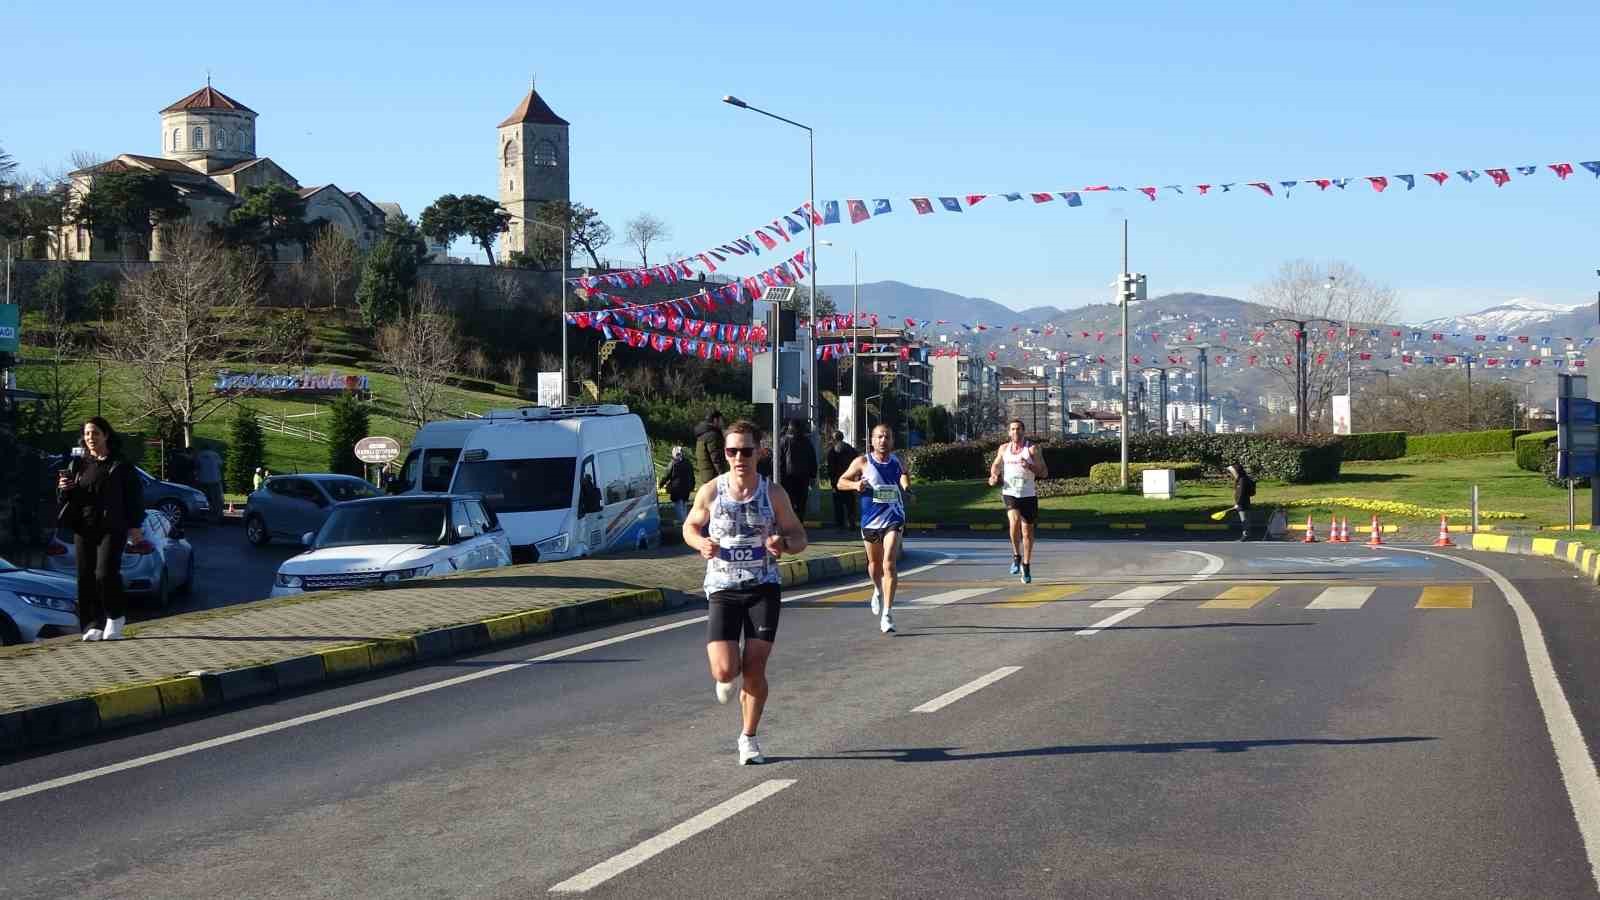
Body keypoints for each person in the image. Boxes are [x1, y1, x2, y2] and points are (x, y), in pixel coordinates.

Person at [682, 420, 808, 765]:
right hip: (723, 588)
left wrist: (783, 543)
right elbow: (690, 526)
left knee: (755, 667)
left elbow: (800, 537)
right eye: (732, 451)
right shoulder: (711, 491)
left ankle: (749, 737)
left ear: (759, 453)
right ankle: (727, 676)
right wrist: (700, 543)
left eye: (747, 451)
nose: (740, 457)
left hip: (763, 587)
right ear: (725, 454)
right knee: (725, 670)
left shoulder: (774, 494)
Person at [55, 417, 145, 642]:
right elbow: (68, 498)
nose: (90, 438)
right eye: (87, 434)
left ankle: (115, 617)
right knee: (85, 577)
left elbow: (133, 498)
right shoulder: (78, 464)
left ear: (106, 435)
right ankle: (92, 624)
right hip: (84, 526)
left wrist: (135, 528)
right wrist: (63, 489)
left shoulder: (120, 465)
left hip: (112, 527)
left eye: (95, 433)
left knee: (104, 574)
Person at [835, 423, 909, 634]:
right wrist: (855, 485)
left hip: (894, 518)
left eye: (887, 437)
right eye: (879, 437)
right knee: (874, 565)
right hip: (870, 521)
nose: (883, 440)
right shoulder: (862, 462)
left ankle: (887, 613)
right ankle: (877, 590)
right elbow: (840, 482)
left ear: (892, 440)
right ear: (872, 440)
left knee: (889, 564)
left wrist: (906, 487)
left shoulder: (897, 460)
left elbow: (903, 474)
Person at [988, 419, 1047, 584]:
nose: (1016, 432)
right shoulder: (1004, 448)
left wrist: (1029, 466)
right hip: (1010, 492)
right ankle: (1016, 555)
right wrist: (994, 475)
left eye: (1019, 429)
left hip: (1028, 495)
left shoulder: (1032, 449)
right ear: (1009, 432)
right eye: (1013, 429)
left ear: (1023, 431)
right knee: (1013, 522)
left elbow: (1044, 472)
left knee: (1027, 532)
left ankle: (1026, 566)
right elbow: (996, 465)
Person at [778, 419, 818, 526]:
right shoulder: (806, 442)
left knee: (788, 500)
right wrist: (813, 475)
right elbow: (812, 459)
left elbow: (779, 460)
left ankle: (789, 523)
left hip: (787, 476)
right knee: (801, 501)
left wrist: (777, 475)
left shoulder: (783, 441)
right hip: (803, 476)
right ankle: (799, 522)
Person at [825, 430, 857, 530]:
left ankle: (840, 523)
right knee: (850, 502)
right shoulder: (851, 449)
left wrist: (832, 479)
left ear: (834, 438)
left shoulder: (832, 450)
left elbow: (830, 467)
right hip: (850, 479)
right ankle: (852, 522)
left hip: (837, 480)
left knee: (838, 502)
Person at [692, 410, 728, 488]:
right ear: (715, 420)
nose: (722, 423)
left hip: (706, 476)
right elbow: (716, 458)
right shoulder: (713, 436)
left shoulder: (702, 435)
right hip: (714, 478)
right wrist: (723, 476)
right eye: (721, 420)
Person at [660, 445, 695, 521]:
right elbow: (692, 476)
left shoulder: (673, 463)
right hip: (686, 488)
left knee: (679, 507)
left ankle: (683, 522)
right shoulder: (688, 463)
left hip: (676, 489)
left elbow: (666, 475)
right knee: (683, 506)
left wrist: (661, 484)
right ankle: (685, 521)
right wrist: (692, 486)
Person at [194, 446, 224, 523]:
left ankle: (204, 515)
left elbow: (196, 466)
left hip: (202, 480)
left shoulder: (199, 455)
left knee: (204, 499)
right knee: (216, 499)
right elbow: (220, 464)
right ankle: (217, 516)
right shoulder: (215, 455)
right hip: (215, 480)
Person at [1227, 462, 1256, 541]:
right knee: (1244, 520)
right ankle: (1246, 535)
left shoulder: (1242, 480)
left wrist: (1238, 503)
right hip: (1242, 503)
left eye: (1232, 471)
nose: (1231, 473)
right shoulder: (1240, 479)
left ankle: (1246, 536)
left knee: (1245, 520)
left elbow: (1241, 493)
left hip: (1243, 504)